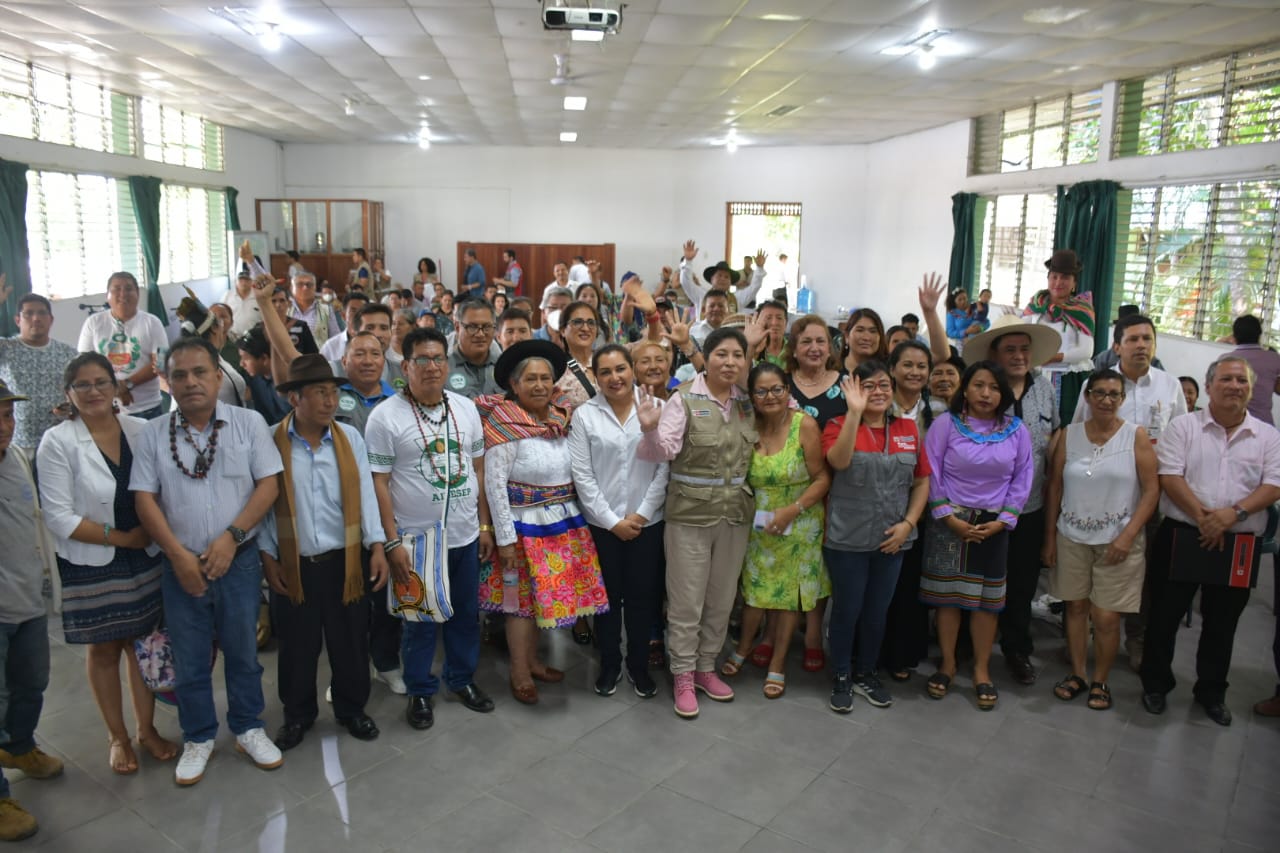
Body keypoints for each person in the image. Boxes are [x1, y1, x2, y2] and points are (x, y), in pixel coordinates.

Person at [130, 336, 283, 786]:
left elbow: (268, 486)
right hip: (182, 566)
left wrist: (232, 539)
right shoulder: (153, 433)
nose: (191, 382)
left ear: (219, 376)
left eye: (201, 372)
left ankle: (248, 727)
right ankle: (198, 735)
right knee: (191, 658)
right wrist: (177, 556)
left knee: (243, 652)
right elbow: (144, 499)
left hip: (238, 561)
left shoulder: (248, 423)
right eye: (180, 374)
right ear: (167, 382)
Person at [37, 354, 174, 775]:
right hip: (94, 558)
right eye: (83, 385)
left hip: (144, 554)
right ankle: (117, 736)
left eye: (102, 382)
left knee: (141, 645)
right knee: (104, 648)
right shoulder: (58, 442)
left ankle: (146, 730)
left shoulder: (139, 429)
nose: (94, 391)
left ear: (116, 389)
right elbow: (58, 516)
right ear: (69, 394)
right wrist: (122, 537)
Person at [366, 328, 497, 729]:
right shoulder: (385, 417)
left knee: (464, 615)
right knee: (420, 621)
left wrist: (485, 525)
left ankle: (461, 679)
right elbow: (379, 484)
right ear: (405, 367)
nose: (432, 367)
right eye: (422, 360)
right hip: (416, 541)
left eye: (439, 358)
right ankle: (421, 690)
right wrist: (391, 542)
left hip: (464, 534)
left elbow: (478, 468)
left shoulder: (465, 408)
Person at [1140, 355, 1280, 726]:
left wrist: (1231, 516)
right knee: (1164, 616)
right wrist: (1206, 520)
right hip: (1183, 533)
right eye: (1227, 379)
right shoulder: (1184, 427)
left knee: (1222, 624)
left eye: (1242, 381)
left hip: (1239, 542)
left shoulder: (1267, 436)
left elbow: (1273, 485)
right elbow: (1170, 475)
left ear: (1250, 390)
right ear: (1210, 384)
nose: (1235, 386)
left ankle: (1211, 692)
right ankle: (1155, 684)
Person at [257, 356, 389, 750]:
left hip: (345, 561)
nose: (329, 401)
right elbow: (264, 506)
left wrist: (377, 546)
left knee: (349, 640)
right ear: (295, 398)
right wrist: (268, 557)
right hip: (294, 563)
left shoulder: (350, 440)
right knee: (298, 646)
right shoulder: (270, 441)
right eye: (319, 392)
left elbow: (366, 495)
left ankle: (351, 709)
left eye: (332, 392)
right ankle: (298, 715)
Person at [479, 340, 609, 703]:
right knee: (520, 605)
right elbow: (494, 486)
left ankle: (533, 662)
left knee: (539, 601)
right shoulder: (504, 424)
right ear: (514, 386)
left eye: (545, 378)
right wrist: (504, 539)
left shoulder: (560, 418)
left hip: (562, 523)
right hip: (521, 528)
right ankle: (519, 672)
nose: (539, 385)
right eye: (530, 379)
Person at [637, 327, 754, 718]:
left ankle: (706, 667)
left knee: (721, 599)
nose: (730, 362)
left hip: (734, 515)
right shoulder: (683, 398)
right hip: (689, 515)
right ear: (706, 356)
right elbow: (662, 453)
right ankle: (683, 674)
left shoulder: (746, 403)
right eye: (722, 354)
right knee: (687, 600)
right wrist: (651, 428)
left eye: (738, 355)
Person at [1043, 369, 1159, 711]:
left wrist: (1128, 535)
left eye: (1114, 394)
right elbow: (1054, 487)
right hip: (1071, 535)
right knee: (1075, 607)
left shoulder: (1135, 436)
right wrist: (1049, 537)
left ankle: (1101, 679)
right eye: (1100, 393)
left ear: (1122, 400)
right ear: (1088, 397)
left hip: (1118, 540)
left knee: (1106, 617)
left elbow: (1152, 491)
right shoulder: (1068, 435)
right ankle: (1078, 673)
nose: (1107, 400)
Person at [920, 361, 1032, 711]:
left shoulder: (1016, 430)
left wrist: (1003, 521)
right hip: (949, 523)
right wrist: (946, 516)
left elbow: (1023, 477)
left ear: (1004, 394)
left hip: (993, 526)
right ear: (964, 389)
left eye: (994, 387)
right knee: (948, 598)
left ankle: (982, 669)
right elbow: (930, 470)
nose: (986, 394)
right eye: (979, 385)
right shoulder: (945, 425)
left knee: (987, 603)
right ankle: (949, 663)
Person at [822, 362, 930, 711]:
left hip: (892, 539)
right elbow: (838, 461)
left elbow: (921, 480)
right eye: (869, 386)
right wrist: (854, 414)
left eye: (884, 385)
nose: (879, 391)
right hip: (847, 540)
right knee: (847, 610)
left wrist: (909, 524)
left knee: (877, 613)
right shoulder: (838, 425)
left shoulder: (908, 429)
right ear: (853, 391)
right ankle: (841, 673)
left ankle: (867, 672)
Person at [962, 315, 1063, 686]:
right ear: (995, 354)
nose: (1019, 356)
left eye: (1024, 349)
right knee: (977, 583)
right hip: (983, 508)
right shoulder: (983, 390)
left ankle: (1017, 650)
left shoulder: (1046, 389)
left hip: (1030, 508)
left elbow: (1054, 445)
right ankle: (969, 650)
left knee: (1021, 586)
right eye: (1010, 350)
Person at [721, 363, 830, 698]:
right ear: (751, 396)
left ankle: (778, 664)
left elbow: (823, 478)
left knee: (786, 598)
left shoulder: (804, 425)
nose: (770, 397)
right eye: (761, 391)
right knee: (755, 590)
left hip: (800, 521)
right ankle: (743, 647)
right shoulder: (747, 425)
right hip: (761, 523)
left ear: (788, 391)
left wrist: (791, 511)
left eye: (777, 389)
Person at [568, 345, 669, 698]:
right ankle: (610, 663)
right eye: (606, 372)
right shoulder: (585, 416)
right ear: (596, 376)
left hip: (648, 523)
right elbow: (583, 476)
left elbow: (664, 466)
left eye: (621, 368)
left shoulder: (656, 407)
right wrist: (613, 522)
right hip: (602, 526)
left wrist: (640, 515)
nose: (615, 377)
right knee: (606, 600)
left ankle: (639, 667)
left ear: (632, 370)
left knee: (643, 599)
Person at [0, 380, 62, 842]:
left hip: (26, 602)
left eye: (7, 414)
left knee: (32, 683)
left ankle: (18, 747)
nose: (5, 425)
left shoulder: (18, 459)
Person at [878, 339, 937, 680]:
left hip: (918, 511)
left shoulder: (938, 412)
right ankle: (870, 652)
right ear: (892, 369)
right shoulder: (877, 407)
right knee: (878, 589)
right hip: (877, 509)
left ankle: (900, 655)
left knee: (908, 587)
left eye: (921, 366)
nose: (915, 372)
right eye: (908, 365)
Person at [77, 272, 169, 419]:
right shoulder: (93, 323)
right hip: (106, 409)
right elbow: (84, 364)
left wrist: (127, 384)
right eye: (116, 289)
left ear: (138, 293)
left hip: (148, 408)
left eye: (128, 289)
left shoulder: (153, 323)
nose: (123, 294)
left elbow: (160, 363)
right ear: (107, 295)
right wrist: (114, 387)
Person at [0, 286, 78, 455]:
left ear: (51, 319)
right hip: (18, 444)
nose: (36, 318)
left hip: (59, 440)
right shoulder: (5, 348)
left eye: (42, 313)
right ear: (17, 320)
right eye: (28, 313)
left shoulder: (68, 353)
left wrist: (70, 408)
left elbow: (79, 390)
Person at [1023, 249, 1096, 423]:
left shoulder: (1082, 310)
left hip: (1069, 380)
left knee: (1065, 427)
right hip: (1036, 375)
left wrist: (1055, 357)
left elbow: (1087, 350)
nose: (1058, 282)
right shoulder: (1036, 305)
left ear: (1074, 284)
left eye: (1065, 278)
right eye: (1054, 277)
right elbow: (1023, 337)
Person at [677, 241, 767, 317]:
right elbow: (686, 283)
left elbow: (754, 287)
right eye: (719, 276)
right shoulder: (701, 295)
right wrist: (688, 261)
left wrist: (759, 268)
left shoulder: (737, 298)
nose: (723, 279)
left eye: (726, 277)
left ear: (730, 282)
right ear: (711, 279)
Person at [787, 314, 845, 429]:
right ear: (794, 350)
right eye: (806, 341)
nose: (814, 348)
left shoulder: (847, 384)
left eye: (820, 341)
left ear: (829, 349)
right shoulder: (781, 384)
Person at [1228, 314, 1280, 425]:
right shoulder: (1274, 359)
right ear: (1259, 335)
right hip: (1264, 425)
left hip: (1232, 425)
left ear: (1235, 336)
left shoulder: (1225, 361)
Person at [447, 300, 500, 398]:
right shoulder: (443, 369)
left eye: (487, 327)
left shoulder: (503, 367)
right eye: (472, 327)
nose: (480, 334)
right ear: (457, 327)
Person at [557, 301, 603, 409]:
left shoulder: (608, 359)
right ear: (563, 330)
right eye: (577, 322)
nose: (585, 328)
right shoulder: (557, 369)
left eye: (591, 323)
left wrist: (651, 317)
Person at [319, 291, 372, 362]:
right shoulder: (330, 346)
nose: (358, 315)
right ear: (343, 315)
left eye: (363, 310)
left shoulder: (378, 342)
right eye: (353, 311)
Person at [286, 272, 337, 342]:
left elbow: (335, 338)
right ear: (291, 288)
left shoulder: (326, 309)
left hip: (319, 352)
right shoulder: (285, 309)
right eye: (300, 284)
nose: (305, 288)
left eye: (309, 284)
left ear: (315, 287)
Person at [268, 286, 319, 356]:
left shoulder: (301, 326)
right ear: (267, 304)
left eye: (282, 300)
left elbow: (313, 355)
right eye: (273, 301)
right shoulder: (260, 328)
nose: (278, 305)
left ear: (289, 303)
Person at [843, 308, 887, 373]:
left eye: (873, 331)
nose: (866, 338)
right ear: (847, 336)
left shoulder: (888, 371)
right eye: (860, 330)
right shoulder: (831, 369)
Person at [224, 268, 265, 338]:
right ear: (236, 281)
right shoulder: (228, 295)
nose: (243, 282)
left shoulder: (258, 296)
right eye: (241, 280)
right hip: (232, 336)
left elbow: (264, 317)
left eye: (247, 280)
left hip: (254, 337)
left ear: (252, 282)